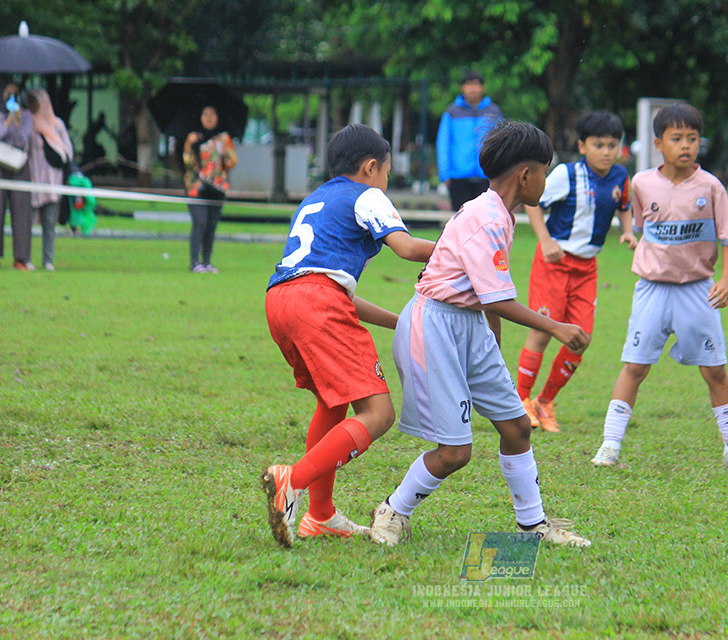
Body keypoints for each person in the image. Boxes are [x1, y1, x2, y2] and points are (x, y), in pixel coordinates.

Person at [369, 121, 592, 548]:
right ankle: (393, 509)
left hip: (468, 325)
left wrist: (490, 348)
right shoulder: (484, 219)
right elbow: (495, 300)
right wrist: (556, 327)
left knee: (516, 428)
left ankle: (533, 525)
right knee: (455, 452)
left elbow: (485, 296)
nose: (545, 181)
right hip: (435, 326)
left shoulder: (499, 214)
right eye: (544, 172)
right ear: (525, 176)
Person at [261, 123, 436, 549]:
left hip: (281, 301)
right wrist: (460, 248)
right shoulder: (367, 195)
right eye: (388, 173)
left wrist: (402, 321)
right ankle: (293, 481)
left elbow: (332, 288)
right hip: (317, 302)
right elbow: (407, 248)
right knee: (378, 414)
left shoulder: (316, 198)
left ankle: (319, 516)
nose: (387, 183)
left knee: (332, 400)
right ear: (371, 167)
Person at [590, 103, 728, 474]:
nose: (686, 145)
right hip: (652, 289)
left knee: (715, 370)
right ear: (658, 144)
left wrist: (726, 281)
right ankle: (610, 444)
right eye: (677, 138)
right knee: (634, 366)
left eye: (693, 138)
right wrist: (637, 244)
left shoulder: (711, 186)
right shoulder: (641, 183)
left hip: (697, 290)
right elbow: (639, 225)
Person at [516, 111, 636, 433]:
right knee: (542, 330)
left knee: (581, 339)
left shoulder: (620, 177)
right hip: (554, 263)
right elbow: (532, 202)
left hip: (587, 269)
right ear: (583, 146)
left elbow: (623, 206)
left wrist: (628, 231)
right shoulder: (566, 175)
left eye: (613, 145)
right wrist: (545, 240)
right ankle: (521, 400)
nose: (607, 151)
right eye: (599, 145)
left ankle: (546, 401)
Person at [435, 69, 502, 211]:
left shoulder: (493, 111)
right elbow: (443, 143)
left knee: (485, 218)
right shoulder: (452, 112)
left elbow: (502, 143)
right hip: (458, 176)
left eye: (476, 84)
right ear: (462, 87)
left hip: (486, 175)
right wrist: (445, 174)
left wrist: (499, 172)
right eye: (468, 84)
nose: (472, 88)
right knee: (461, 220)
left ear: (482, 88)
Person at [182, 106, 237, 273]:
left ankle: (206, 261)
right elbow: (187, 162)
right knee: (200, 222)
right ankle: (194, 262)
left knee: (212, 224)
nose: (209, 118)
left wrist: (225, 152)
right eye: (205, 114)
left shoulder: (224, 138)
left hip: (217, 187)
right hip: (196, 187)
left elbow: (231, 162)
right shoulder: (193, 137)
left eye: (212, 114)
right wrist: (189, 145)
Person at [25, 88, 72, 272]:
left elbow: (68, 152)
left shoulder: (57, 124)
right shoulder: (27, 123)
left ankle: (48, 261)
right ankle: (25, 258)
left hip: (53, 182)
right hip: (32, 181)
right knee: (26, 223)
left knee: (49, 224)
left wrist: (51, 137)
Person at [0, 82, 34, 270]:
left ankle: (21, 258)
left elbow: (24, 140)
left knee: (21, 212)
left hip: (19, 165)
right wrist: (6, 122)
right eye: (8, 93)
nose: (11, 97)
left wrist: (18, 122)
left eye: (15, 94)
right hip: (0, 164)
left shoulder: (27, 116)